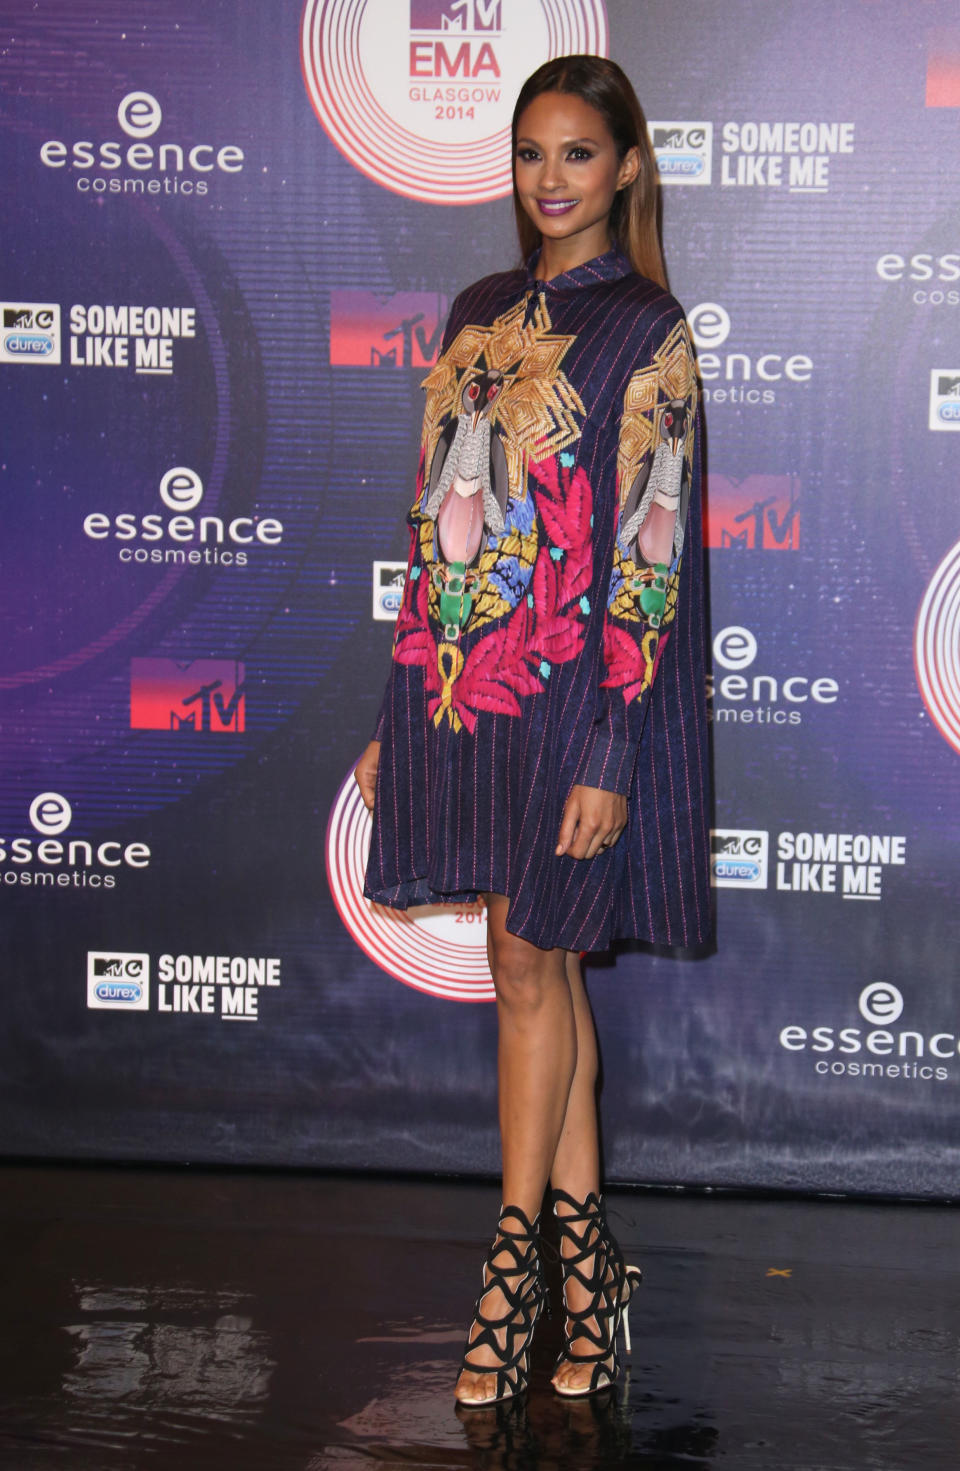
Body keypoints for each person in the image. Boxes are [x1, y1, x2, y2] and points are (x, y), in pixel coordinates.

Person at [354, 54, 712, 1407]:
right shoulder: (475, 310)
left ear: (624, 166)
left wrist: (617, 747)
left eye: (577, 154)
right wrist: (402, 705)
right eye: (530, 155)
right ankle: (589, 1272)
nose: (550, 180)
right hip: (469, 688)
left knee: (524, 959)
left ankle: (510, 1279)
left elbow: (650, 557)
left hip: (577, 699)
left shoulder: (650, 333)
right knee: (535, 976)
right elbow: (436, 518)